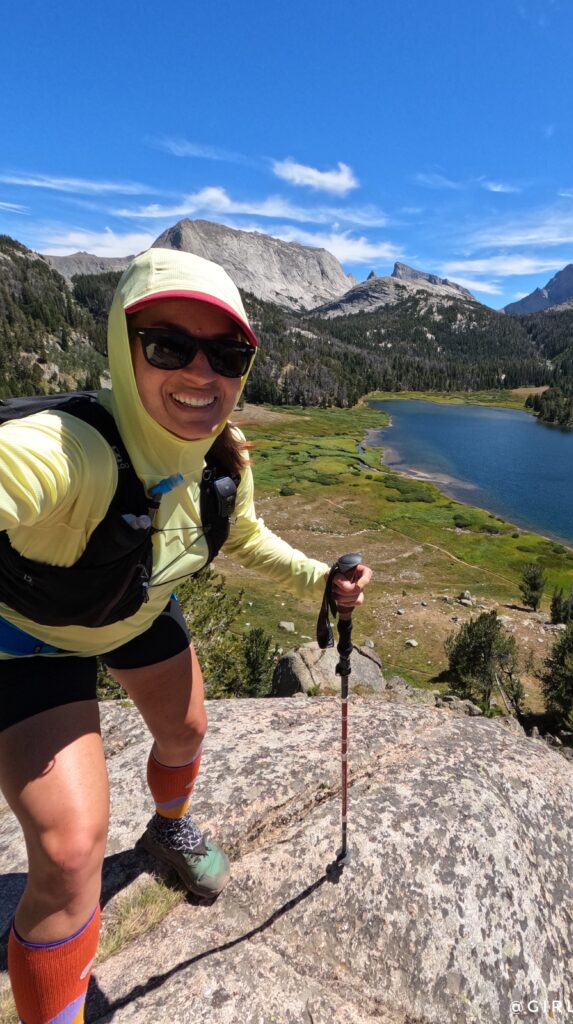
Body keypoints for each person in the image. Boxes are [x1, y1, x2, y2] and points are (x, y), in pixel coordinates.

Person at [0, 248, 372, 1024]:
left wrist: (319, 583)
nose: (204, 373)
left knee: (187, 731)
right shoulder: (68, 454)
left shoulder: (224, 457)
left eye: (228, 353)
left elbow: (245, 535)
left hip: (136, 604)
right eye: (170, 345)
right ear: (121, 345)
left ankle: (168, 831)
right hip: (31, 635)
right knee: (70, 855)